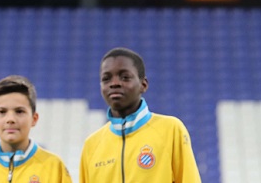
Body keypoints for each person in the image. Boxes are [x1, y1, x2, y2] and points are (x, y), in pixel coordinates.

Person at [79, 47, 202, 183]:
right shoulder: (92, 145)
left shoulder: (170, 129)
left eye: (125, 77)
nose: (114, 84)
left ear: (143, 84)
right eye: (106, 79)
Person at [0, 75, 72, 183]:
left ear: (34, 118)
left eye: (19, 111)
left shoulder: (55, 167)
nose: (10, 119)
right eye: (2, 112)